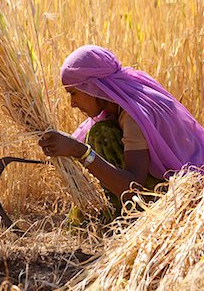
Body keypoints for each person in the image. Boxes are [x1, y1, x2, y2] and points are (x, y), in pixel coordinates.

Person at [38, 45, 204, 221]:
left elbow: (132, 187)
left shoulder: (134, 116)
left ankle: (126, 222)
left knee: (101, 134)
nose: (72, 103)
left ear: (93, 88)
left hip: (179, 203)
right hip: (179, 192)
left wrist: (79, 151)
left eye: (73, 93)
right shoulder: (123, 104)